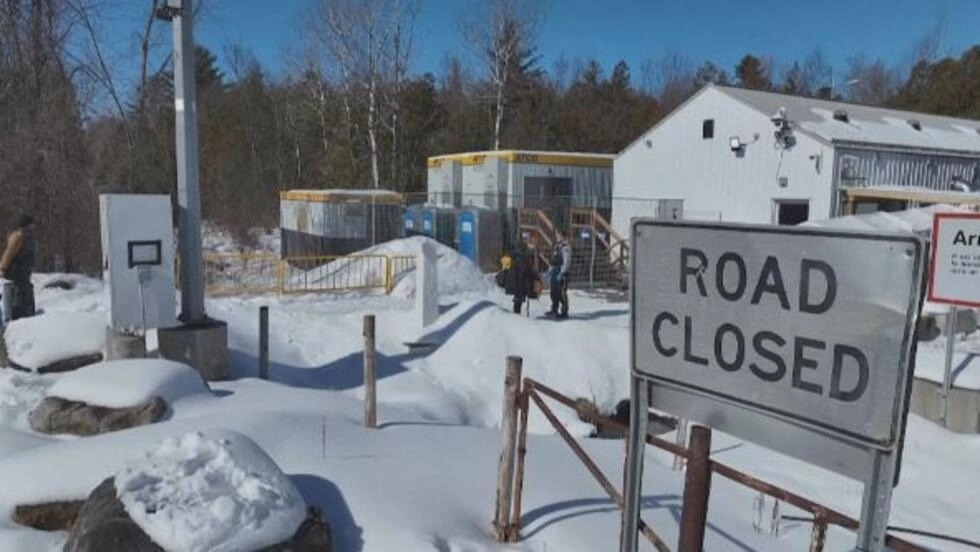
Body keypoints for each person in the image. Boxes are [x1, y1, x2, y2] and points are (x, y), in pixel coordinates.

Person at [0, 214, 37, 320]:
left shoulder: (19, 235)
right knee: (24, 288)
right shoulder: (29, 237)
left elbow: (9, 253)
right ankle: (27, 311)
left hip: (17, 269)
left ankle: (17, 314)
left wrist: (2, 268)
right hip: (24, 269)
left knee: (19, 290)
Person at [502, 240, 538, 315]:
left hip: (516, 280)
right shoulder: (522, 256)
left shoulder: (514, 253)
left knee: (518, 299)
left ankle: (517, 315)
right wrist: (534, 276)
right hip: (520, 281)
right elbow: (526, 269)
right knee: (518, 299)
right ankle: (517, 317)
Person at [548, 229, 571, 319]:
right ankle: (554, 309)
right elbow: (554, 259)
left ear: (563, 236)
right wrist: (550, 269)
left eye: (558, 234)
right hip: (555, 270)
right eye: (556, 234)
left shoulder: (566, 247)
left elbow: (566, 262)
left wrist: (562, 272)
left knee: (561, 293)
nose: (556, 236)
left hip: (561, 272)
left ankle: (564, 312)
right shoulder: (556, 246)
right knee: (553, 292)